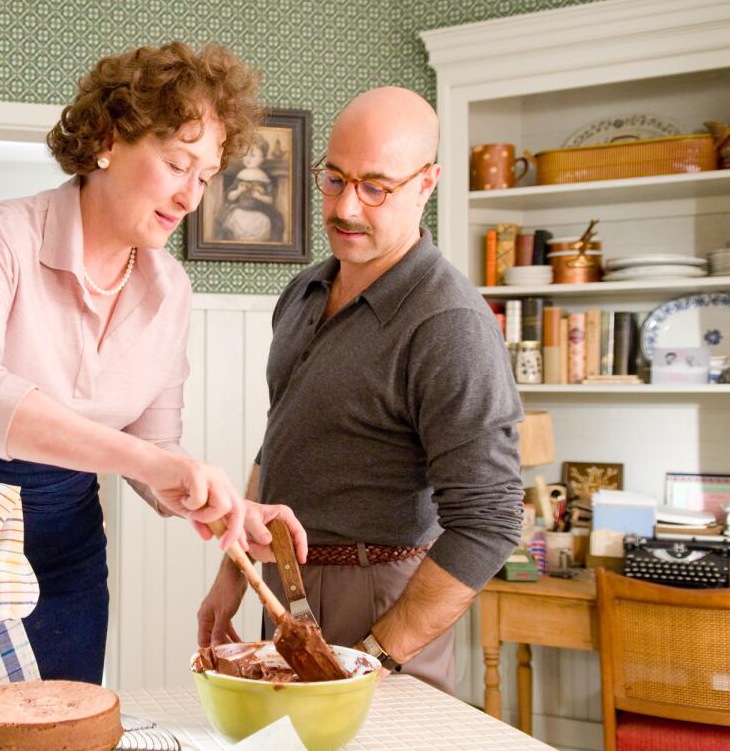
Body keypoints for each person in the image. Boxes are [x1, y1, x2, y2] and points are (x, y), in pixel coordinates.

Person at [0, 42, 304, 703]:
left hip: (60, 535)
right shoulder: (0, 234)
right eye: (177, 163)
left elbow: (157, 449)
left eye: (206, 176)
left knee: (63, 721)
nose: (190, 195)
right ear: (109, 138)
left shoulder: (170, 289)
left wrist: (226, 507)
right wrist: (143, 459)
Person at [197, 87, 524, 694]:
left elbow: (491, 520)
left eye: (376, 186)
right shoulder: (304, 291)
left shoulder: (449, 323)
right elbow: (281, 444)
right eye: (334, 178)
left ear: (427, 183)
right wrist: (235, 572)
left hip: (385, 593)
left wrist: (375, 654)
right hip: (288, 584)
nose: (346, 206)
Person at [215, 136, 282, 242]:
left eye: (252, 155)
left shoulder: (264, 178)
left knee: (266, 222)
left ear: (262, 158)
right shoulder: (241, 175)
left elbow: (270, 200)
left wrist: (258, 196)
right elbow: (229, 197)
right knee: (230, 219)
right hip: (239, 210)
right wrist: (238, 191)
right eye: (245, 155)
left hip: (259, 213)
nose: (248, 159)